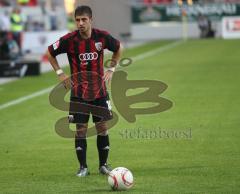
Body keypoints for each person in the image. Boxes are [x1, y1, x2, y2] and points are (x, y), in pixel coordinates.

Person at [46, 5, 123, 177]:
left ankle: (103, 165)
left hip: (100, 92)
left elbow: (118, 48)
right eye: (77, 20)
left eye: (84, 20)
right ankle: (83, 167)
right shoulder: (69, 40)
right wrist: (60, 73)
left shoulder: (102, 37)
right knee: (81, 129)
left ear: (90, 20)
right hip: (78, 93)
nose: (80, 23)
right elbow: (50, 52)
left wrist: (111, 69)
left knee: (102, 127)